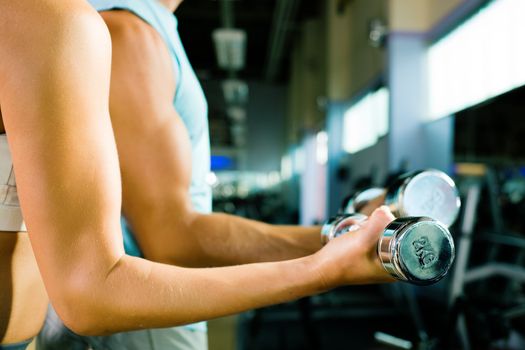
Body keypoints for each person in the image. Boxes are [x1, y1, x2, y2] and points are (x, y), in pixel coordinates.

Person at [0, 0, 393, 349]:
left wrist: (340, 238)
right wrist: (323, 265)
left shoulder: (92, 25)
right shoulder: (102, 29)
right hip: (138, 311)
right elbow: (105, 280)